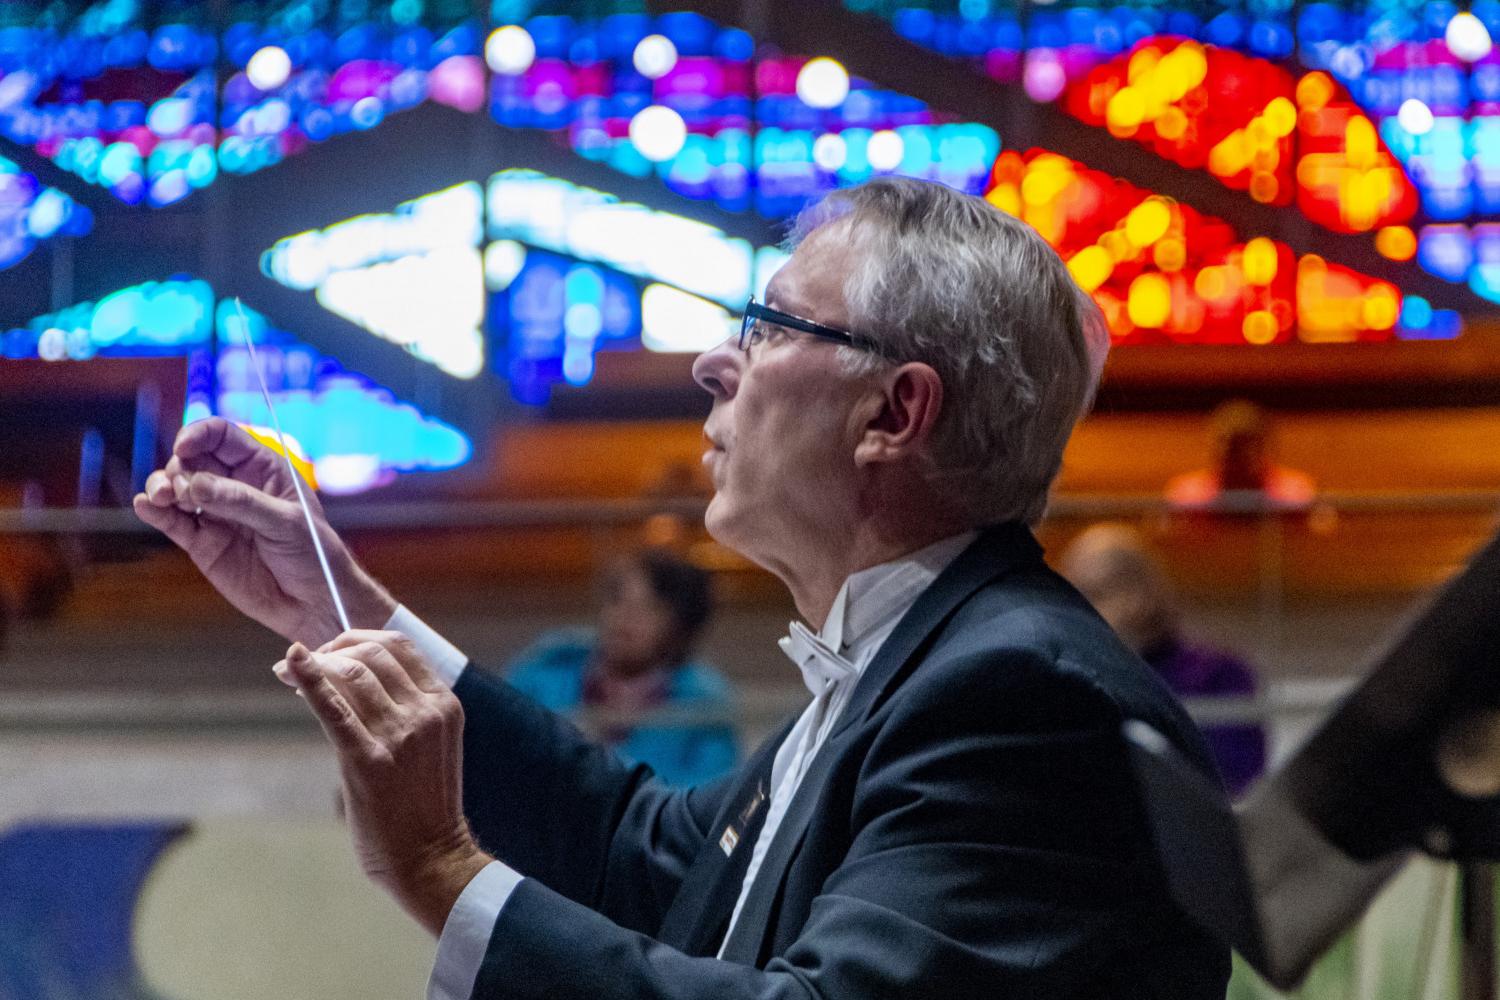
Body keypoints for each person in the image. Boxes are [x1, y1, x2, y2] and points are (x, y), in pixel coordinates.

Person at [134, 177, 1229, 999]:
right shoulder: (926, 655)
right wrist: (341, 602)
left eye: (772, 326)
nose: (717, 361)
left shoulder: (1017, 696)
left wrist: (437, 867)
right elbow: (643, 856)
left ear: (895, 414)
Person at [1058, 523, 1268, 796]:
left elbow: (1236, 777)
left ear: (1144, 592)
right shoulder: (1063, 681)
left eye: (1098, 593)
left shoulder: (1220, 673)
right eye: (1076, 595)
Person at [507, 549, 737, 787]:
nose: (625, 616)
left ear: (678, 626)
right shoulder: (544, 670)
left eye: (649, 606)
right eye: (618, 598)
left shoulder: (703, 706)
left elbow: (709, 799)